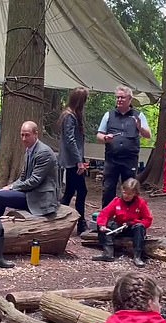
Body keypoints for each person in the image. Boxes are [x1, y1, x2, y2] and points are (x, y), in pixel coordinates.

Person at [0, 121, 60, 216]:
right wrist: (8, 187)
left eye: (27, 135)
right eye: (22, 135)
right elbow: (23, 177)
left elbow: (34, 181)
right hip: (30, 193)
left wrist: (12, 188)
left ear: (36, 134)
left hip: (40, 198)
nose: (24, 139)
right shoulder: (29, 151)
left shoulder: (44, 153)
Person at [96, 85, 152, 207]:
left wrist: (139, 127)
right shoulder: (108, 115)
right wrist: (105, 138)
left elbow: (148, 135)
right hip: (112, 160)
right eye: (117, 97)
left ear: (130, 99)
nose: (119, 100)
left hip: (130, 160)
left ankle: (129, 216)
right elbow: (99, 135)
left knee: (130, 189)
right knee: (108, 188)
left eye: (122, 97)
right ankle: (107, 216)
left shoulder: (138, 115)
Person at [93, 178, 152, 267]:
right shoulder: (117, 201)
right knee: (103, 224)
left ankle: (137, 256)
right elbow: (104, 213)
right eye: (124, 192)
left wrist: (133, 222)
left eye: (129, 194)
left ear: (135, 193)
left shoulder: (141, 203)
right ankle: (108, 253)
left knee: (139, 227)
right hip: (119, 227)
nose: (126, 196)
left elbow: (147, 219)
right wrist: (102, 225)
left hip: (133, 229)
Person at [58, 87, 89, 234]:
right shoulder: (69, 116)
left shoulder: (74, 115)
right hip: (72, 162)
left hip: (75, 160)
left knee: (70, 192)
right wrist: (79, 161)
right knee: (82, 191)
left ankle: (58, 219)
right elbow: (70, 140)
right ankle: (81, 223)